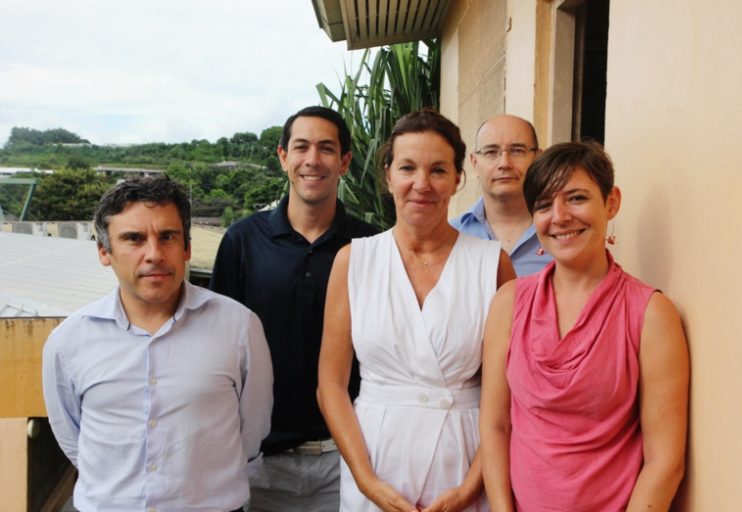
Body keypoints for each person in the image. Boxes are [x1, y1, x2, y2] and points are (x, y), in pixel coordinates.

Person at [318, 109, 515, 512]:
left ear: (457, 179)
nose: (421, 184)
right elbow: (331, 385)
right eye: (407, 168)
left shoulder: (492, 263)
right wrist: (367, 482)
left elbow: (509, 392)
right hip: (374, 461)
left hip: (464, 463)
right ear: (388, 175)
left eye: (438, 170)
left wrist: (469, 489)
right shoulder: (353, 261)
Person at [42, 175, 273, 512]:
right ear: (104, 251)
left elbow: (253, 429)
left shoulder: (239, 327)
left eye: (167, 237)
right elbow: (72, 437)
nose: (154, 254)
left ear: (186, 247)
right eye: (133, 239)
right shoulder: (69, 341)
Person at [480, 141, 689, 511]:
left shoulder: (650, 315)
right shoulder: (509, 303)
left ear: (611, 202)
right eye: (544, 205)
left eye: (576, 198)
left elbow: (665, 461)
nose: (559, 217)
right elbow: (496, 425)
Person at [210, 106, 379, 511]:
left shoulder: (372, 246)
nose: (312, 160)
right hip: (261, 463)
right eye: (301, 147)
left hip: (351, 459)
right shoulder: (241, 241)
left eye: (326, 148)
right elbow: (217, 348)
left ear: (344, 162)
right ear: (283, 157)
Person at [450, 115, 552, 276]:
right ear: (475, 162)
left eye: (517, 151)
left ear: (538, 158)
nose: (504, 163)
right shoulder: (450, 237)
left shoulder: (562, 233)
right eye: (491, 152)